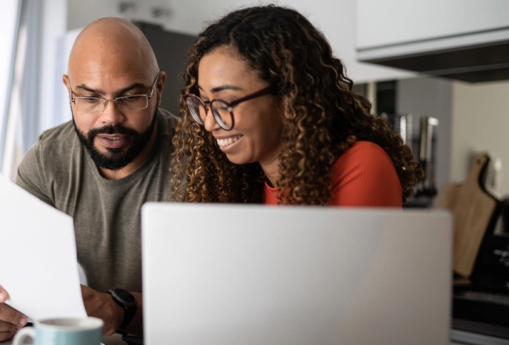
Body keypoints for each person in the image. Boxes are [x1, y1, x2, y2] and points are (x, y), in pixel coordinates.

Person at [0, 18, 177, 344]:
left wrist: (118, 309)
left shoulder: (203, 162)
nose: (109, 117)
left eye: (130, 97)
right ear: (68, 90)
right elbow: (23, 286)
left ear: (159, 89)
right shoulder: (47, 160)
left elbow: (220, 300)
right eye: (90, 98)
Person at [171, 5, 423, 205]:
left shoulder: (361, 166)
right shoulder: (240, 182)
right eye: (204, 103)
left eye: (225, 102)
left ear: (289, 98)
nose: (209, 122)